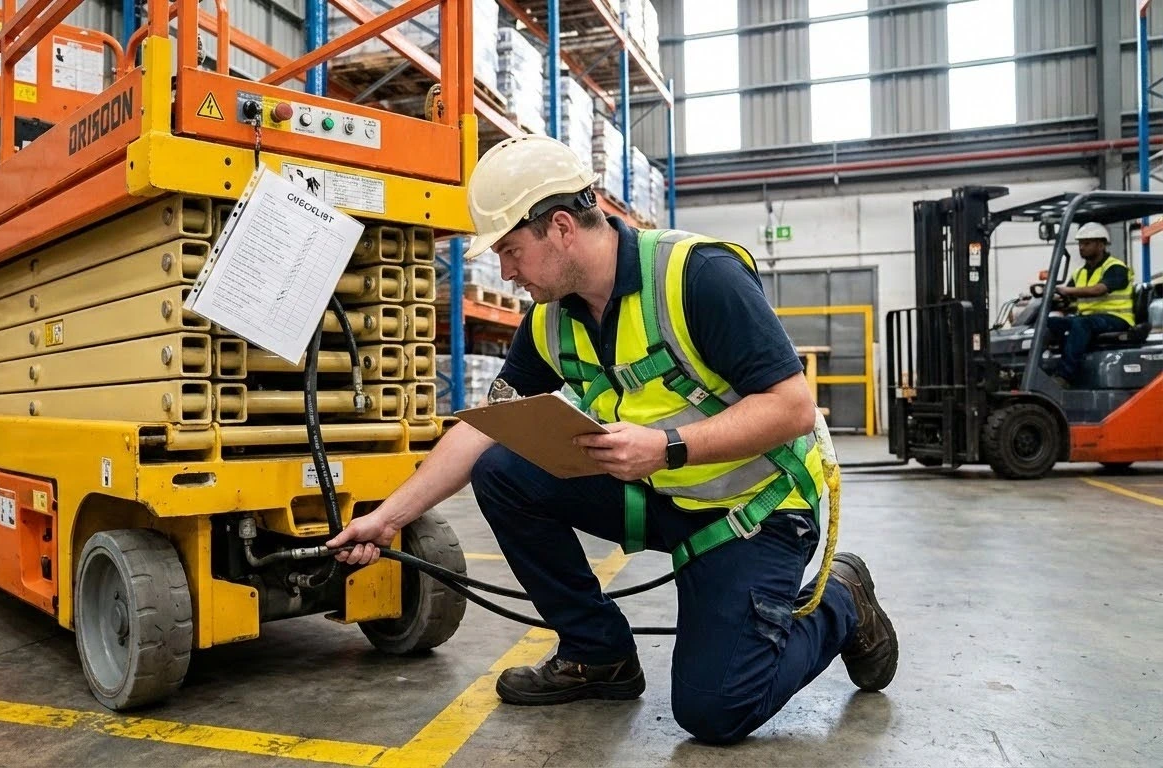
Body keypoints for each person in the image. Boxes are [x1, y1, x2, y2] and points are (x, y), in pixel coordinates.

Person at [326, 135, 898, 744]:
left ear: (563, 227)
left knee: (715, 711)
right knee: (501, 469)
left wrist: (667, 447)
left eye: (513, 251)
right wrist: (388, 518)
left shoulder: (697, 277)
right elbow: (479, 430)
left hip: (755, 510)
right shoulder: (549, 320)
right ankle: (597, 653)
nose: (507, 271)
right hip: (659, 497)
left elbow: (793, 408)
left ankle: (841, 597)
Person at [1047, 222, 1136, 384]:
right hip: (1089, 318)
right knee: (1049, 323)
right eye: (1080, 243)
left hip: (1116, 318)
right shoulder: (1079, 272)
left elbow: (1098, 290)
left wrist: (1066, 291)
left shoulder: (1116, 268)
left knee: (1081, 324)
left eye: (1087, 243)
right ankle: (1044, 367)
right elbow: (1067, 298)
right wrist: (1053, 298)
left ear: (1101, 245)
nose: (1081, 247)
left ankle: (1064, 376)